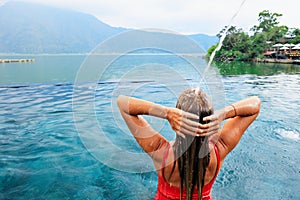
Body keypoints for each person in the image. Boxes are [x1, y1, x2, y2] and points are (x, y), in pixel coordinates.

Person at [117, 88, 260, 200]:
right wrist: (224, 113)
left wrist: (166, 112)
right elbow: (255, 104)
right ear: (209, 117)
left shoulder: (160, 151)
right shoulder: (220, 147)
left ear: (177, 120)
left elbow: (122, 103)